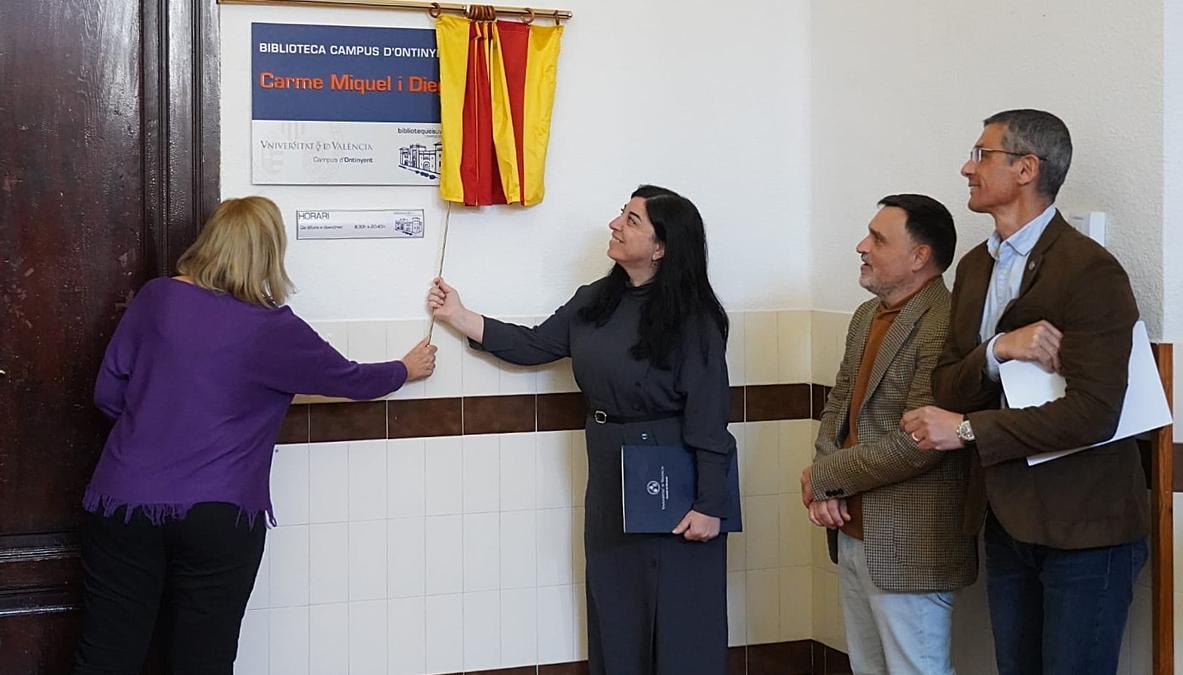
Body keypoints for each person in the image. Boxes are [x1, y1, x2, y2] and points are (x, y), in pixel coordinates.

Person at [72, 196, 437, 674]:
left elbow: (107, 394)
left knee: (105, 656)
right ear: (270, 254)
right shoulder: (273, 330)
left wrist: (157, 423)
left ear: (210, 241)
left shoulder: (156, 299)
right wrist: (404, 369)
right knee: (202, 660)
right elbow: (349, 379)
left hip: (122, 505)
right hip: (219, 517)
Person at [427, 185, 737, 675]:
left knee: (681, 619)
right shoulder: (597, 299)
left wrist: (710, 506)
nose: (615, 224)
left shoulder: (693, 318)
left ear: (661, 247)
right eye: (621, 213)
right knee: (615, 607)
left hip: (674, 479)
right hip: (610, 471)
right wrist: (460, 316)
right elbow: (534, 346)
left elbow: (709, 416)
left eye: (632, 220)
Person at [901, 109, 1148, 675]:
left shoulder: (1089, 270)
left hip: (1087, 528)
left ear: (1026, 168)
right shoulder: (972, 268)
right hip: (1007, 520)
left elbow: (1093, 414)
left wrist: (965, 431)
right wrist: (996, 350)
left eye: (982, 154)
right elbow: (946, 384)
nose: (967, 167)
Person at [803, 194, 974, 675]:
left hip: (912, 542)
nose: (862, 246)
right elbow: (838, 405)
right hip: (854, 529)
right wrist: (825, 483)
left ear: (920, 256)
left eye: (878, 239)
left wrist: (826, 477)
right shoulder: (865, 316)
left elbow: (919, 444)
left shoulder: (946, 322)